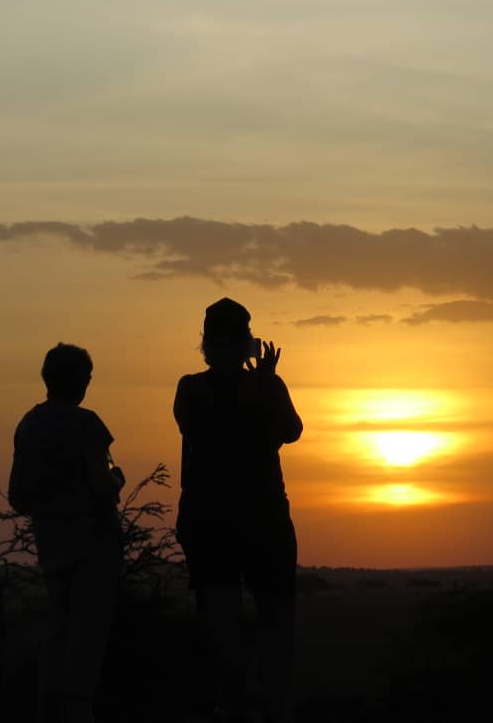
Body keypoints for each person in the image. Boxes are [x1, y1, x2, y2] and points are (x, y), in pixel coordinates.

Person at [174, 298, 303, 723]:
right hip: (261, 518)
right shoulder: (260, 387)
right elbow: (291, 431)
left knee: (223, 621)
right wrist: (266, 384)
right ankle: (271, 709)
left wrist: (263, 385)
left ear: (207, 343)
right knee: (275, 620)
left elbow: (202, 428)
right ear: (247, 342)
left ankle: (233, 707)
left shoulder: (191, 389)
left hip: (210, 521)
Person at [8, 343, 125, 723]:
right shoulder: (86, 424)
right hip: (94, 545)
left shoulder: (29, 425)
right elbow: (100, 483)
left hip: (52, 544)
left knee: (58, 630)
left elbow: (17, 496)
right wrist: (114, 482)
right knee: (87, 635)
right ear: (80, 380)